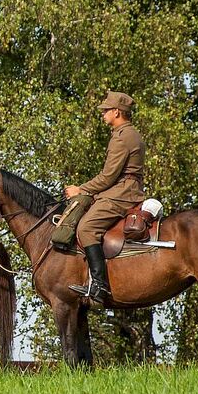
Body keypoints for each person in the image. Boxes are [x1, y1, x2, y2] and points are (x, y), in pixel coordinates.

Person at [64, 91, 145, 303]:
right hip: (123, 188)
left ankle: (100, 285)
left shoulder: (122, 137)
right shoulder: (130, 133)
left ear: (117, 112)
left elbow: (108, 176)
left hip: (123, 192)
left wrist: (81, 190)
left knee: (86, 227)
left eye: (106, 110)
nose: (103, 114)